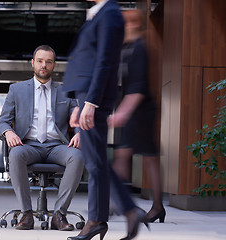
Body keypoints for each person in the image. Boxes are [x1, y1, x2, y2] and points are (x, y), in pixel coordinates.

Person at [62, 1, 148, 240]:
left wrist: (90, 102)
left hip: (93, 95)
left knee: (95, 160)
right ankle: (123, 212)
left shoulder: (110, 13)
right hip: (86, 94)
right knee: (96, 159)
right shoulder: (100, 13)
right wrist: (80, 104)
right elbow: (88, 58)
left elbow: (105, 60)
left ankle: (100, 219)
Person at [0, 45, 84, 231]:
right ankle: (27, 213)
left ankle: (59, 215)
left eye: (49, 62)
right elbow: (2, 122)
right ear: (33, 63)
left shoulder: (65, 91)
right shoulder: (16, 90)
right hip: (28, 145)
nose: (44, 65)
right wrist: (8, 132)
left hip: (56, 146)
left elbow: (76, 119)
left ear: (54, 65)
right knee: (16, 154)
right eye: (40, 61)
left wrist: (79, 134)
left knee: (77, 156)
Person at [107, 10, 165, 223]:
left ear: (132, 24)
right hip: (132, 108)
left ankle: (118, 204)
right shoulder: (126, 48)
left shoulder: (140, 48)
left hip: (140, 110)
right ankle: (121, 204)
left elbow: (138, 87)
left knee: (143, 157)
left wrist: (121, 113)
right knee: (134, 156)